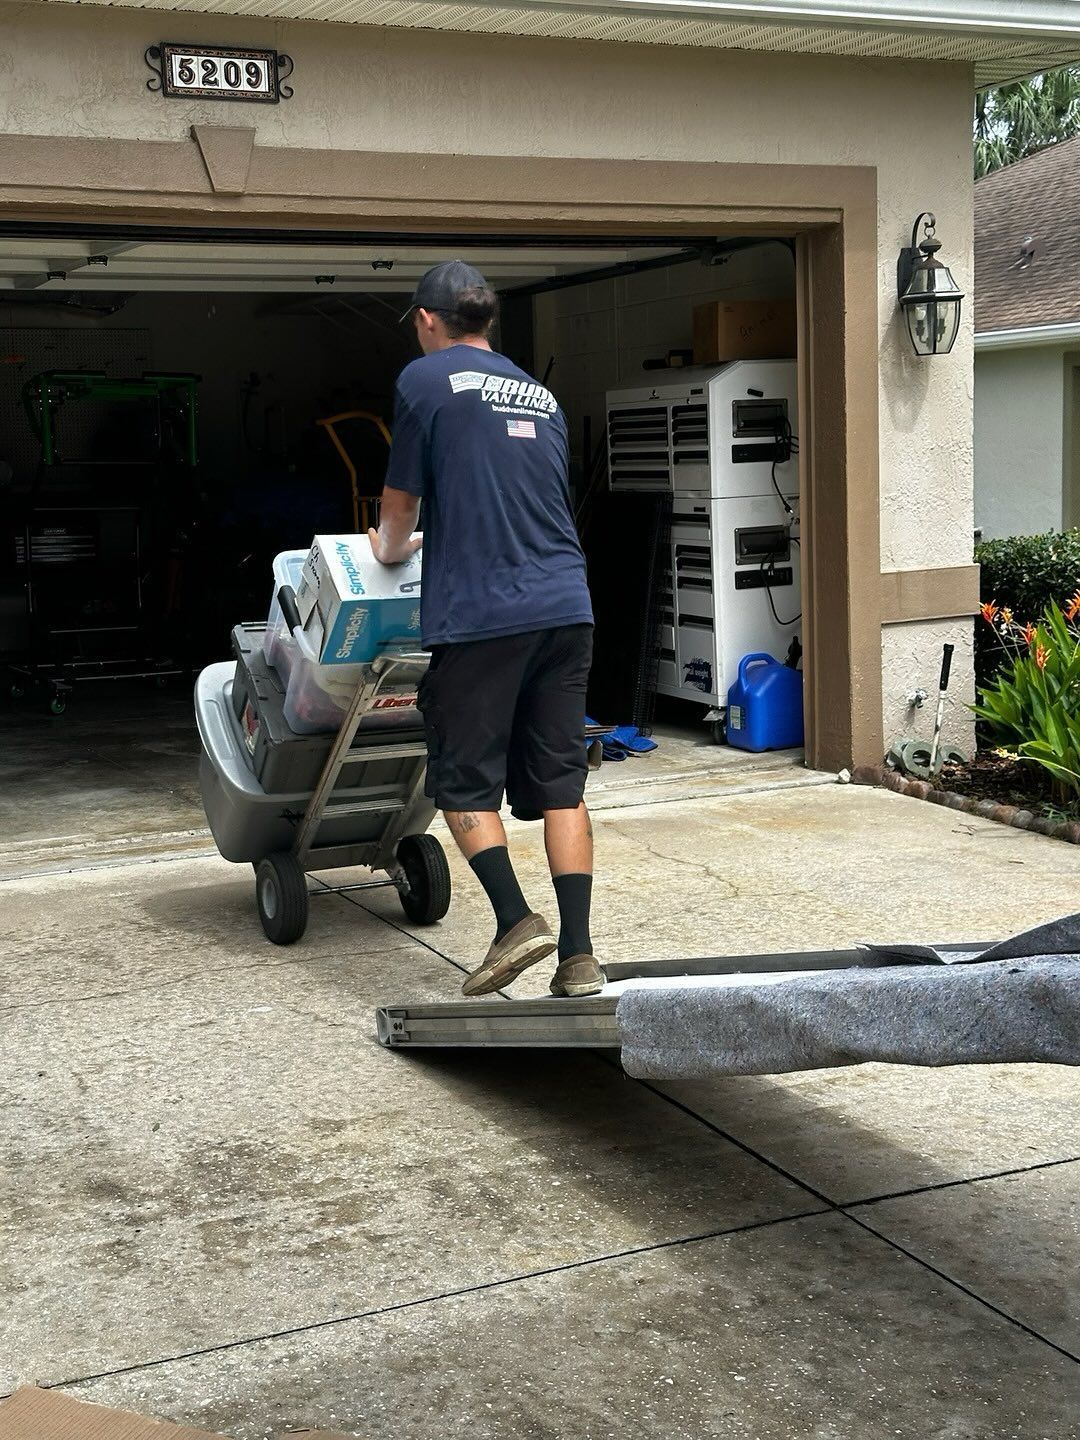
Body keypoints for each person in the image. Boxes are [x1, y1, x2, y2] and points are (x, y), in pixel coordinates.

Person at [368, 261, 602, 1000]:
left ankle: (512, 921)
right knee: (562, 787)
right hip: (567, 606)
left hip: (485, 613)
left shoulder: (423, 381)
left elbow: (401, 503)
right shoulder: (539, 392)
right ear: (486, 322)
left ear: (427, 320)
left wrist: (389, 548)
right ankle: (579, 957)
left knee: (464, 782)